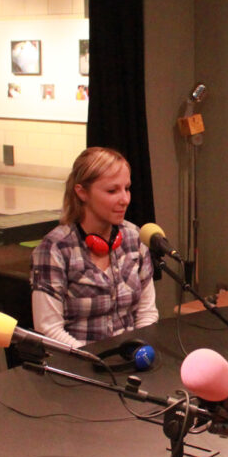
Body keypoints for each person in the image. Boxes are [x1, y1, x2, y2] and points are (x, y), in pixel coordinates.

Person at [32, 147, 159, 348]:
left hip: (131, 360)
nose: (125, 199)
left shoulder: (135, 237)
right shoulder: (55, 248)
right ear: (82, 192)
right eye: (112, 190)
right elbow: (48, 328)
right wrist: (94, 361)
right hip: (79, 363)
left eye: (127, 188)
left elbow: (147, 312)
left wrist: (140, 348)